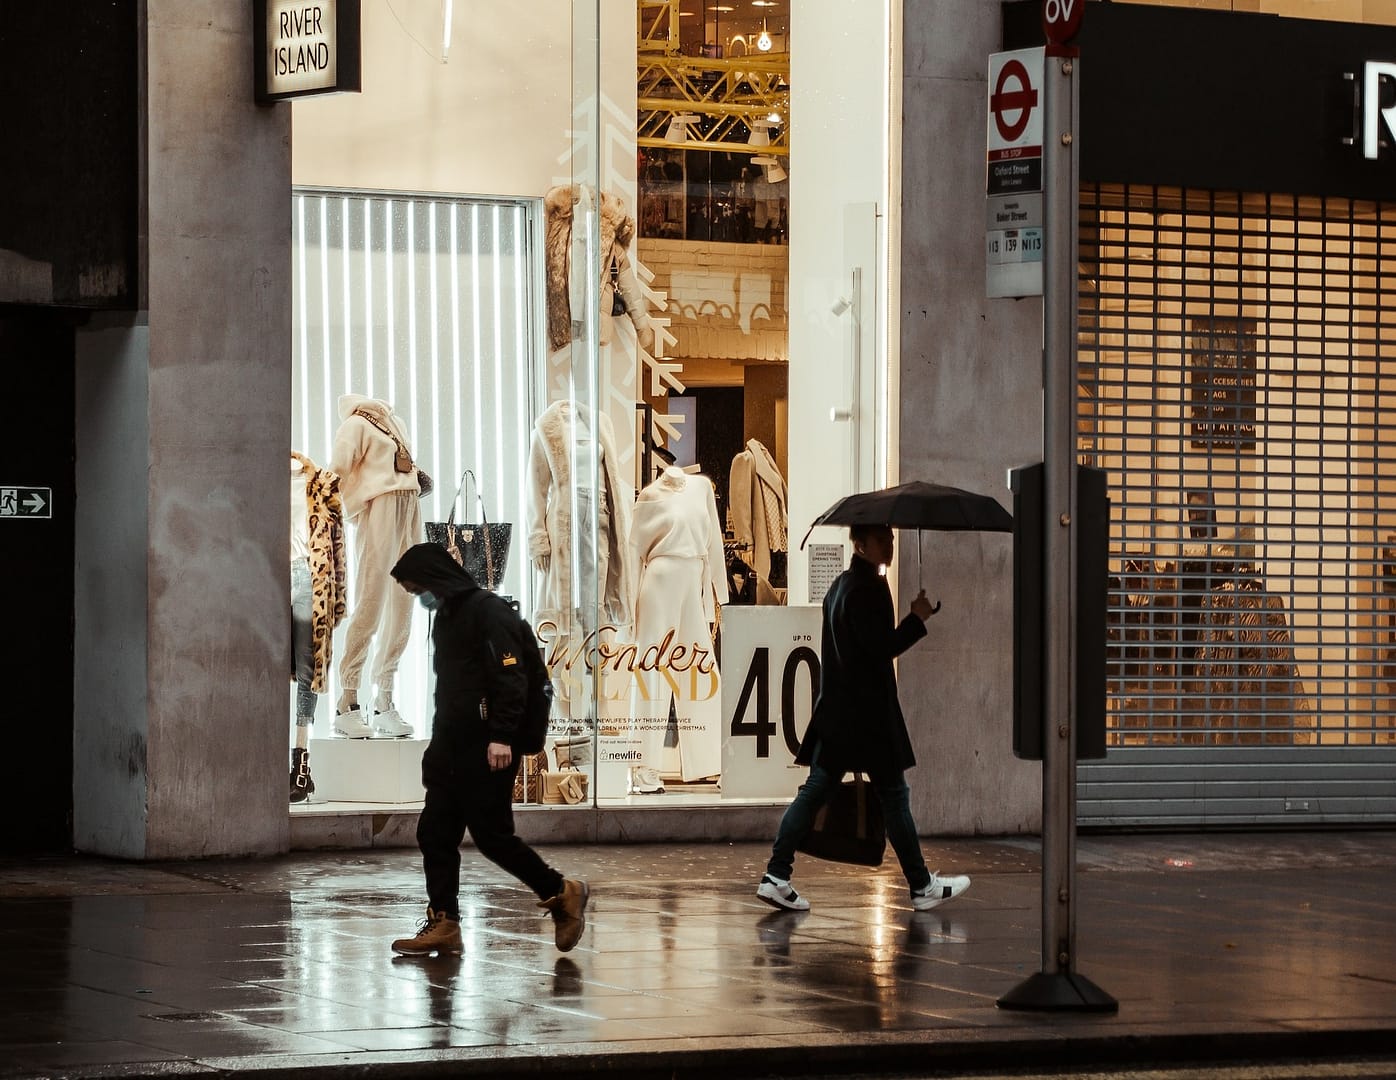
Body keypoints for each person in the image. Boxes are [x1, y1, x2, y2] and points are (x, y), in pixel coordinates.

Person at [756, 523, 971, 913]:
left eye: (890, 538)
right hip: (867, 718)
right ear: (860, 543)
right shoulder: (869, 588)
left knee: (817, 790)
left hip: (838, 714)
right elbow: (879, 649)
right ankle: (921, 885)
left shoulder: (840, 586)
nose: (889, 544)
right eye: (881, 539)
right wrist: (916, 619)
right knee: (893, 796)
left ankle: (776, 874)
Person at [387, 542, 589, 955]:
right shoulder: (446, 615)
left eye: (416, 588)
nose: (417, 597)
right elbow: (454, 688)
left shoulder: (488, 611)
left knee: (492, 837)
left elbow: (511, 679)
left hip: (487, 747)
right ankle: (443, 921)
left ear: (434, 579)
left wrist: (502, 736)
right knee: (435, 832)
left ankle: (562, 892)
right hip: (452, 747)